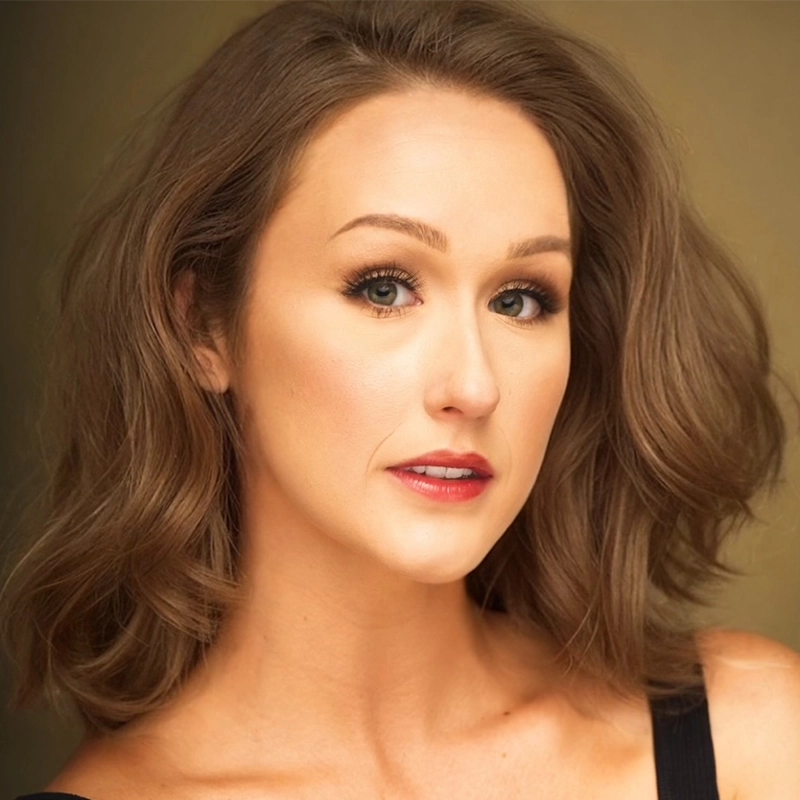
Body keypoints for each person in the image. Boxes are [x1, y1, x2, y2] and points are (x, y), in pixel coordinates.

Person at [2, 1, 798, 797]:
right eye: (384, 287)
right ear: (203, 325)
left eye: (521, 299)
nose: (473, 386)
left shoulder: (752, 741)